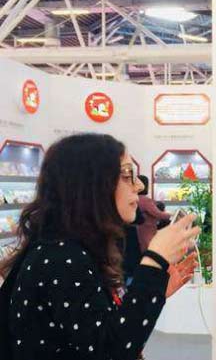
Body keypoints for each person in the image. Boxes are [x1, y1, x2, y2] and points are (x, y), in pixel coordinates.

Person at [0, 133, 200, 360]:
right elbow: (111, 351)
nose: (138, 185)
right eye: (127, 175)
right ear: (93, 185)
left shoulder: (73, 250)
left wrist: (156, 290)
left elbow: (100, 326)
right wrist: (154, 261)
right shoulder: (61, 258)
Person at [135, 175, 173, 253]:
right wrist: (172, 215)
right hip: (147, 231)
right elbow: (158, 214)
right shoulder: (146, 201)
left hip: (138, 231)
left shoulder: (135, 199)